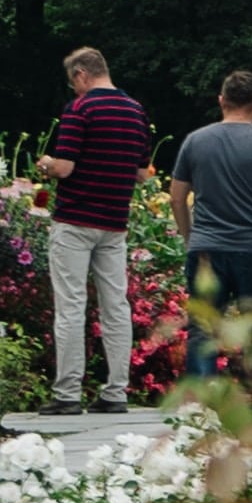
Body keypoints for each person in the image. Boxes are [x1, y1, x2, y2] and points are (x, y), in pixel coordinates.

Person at [35, 48, 150, 410]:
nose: (74, 90)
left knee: (71, 306)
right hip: (114, 224)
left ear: (82, 74)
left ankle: (67, 393)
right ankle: (115, 392)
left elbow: (65, 168)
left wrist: (47, 164)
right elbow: (143, 173)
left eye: (74, 82)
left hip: (75, 220)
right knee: (116, 306)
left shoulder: (81, 109)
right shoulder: (136, 112)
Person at [166, 70, 252, 386]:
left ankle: (203, 402)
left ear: (221, 100)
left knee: (203, 326)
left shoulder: (195, 141)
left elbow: (176, 197)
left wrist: (189, 235)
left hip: (207, 247)